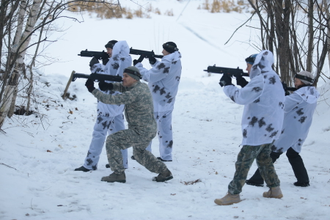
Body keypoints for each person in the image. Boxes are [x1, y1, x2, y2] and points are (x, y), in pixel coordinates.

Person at [214, 50, 285, 205]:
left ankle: (233, 194)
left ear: (256, 66)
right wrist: (244, 83)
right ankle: (275, 189)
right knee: (264, 159)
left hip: (258, 130)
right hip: (271, 129)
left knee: (243, 161)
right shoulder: (273, 77)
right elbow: (262, 96)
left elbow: (241, 97)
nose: (246, 70)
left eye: (248, 67)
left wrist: (227, 85)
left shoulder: (261, 79)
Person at [84, 66, 173, 183]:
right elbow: (123, 87)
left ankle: (118, 173)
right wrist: (110, 86)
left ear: (135, 78)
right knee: (139, 153)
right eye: (123, 75)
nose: (123, 78)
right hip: (148, 129)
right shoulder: (142, 86)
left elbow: (112, 100)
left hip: (140, 131)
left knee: (113, 141)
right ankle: (164, 172)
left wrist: (92, 89)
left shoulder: (135, 92)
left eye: (126, 76)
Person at [246, 71, 319, 187]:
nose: (294, 83)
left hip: (289, 130)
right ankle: (303, 180)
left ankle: (257, 179)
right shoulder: (313, 93)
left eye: (296, 81)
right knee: (293, 153)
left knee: (272, 153)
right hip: (301, 130)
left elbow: (281, 105)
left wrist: (279, 92)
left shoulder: (298, 95)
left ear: (303, 82)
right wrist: (285, 92)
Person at [74, 40, 132, 172]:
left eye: (110, 49)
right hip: (118, 103)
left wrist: (95, 66)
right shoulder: (127, 59)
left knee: (99, 133)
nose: (107, 52)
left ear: (116, 49)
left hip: (107, 104)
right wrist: (106, 63)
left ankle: (90, 164)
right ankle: (122, 162)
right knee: (120, 134)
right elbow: (114, 73)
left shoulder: (115, 60)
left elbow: (106, 76)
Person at [133, 41, 182, 162]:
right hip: (168, 99)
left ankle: (144, 153)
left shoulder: (167, 62)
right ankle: (166, 155)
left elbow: (150, 76)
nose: (161, 52)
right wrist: (154, 62)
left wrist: (138, 66)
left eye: (163, 50)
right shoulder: (176, 60)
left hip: (156, 101)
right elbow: (164, 72)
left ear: (168, 51)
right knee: (165, 129)